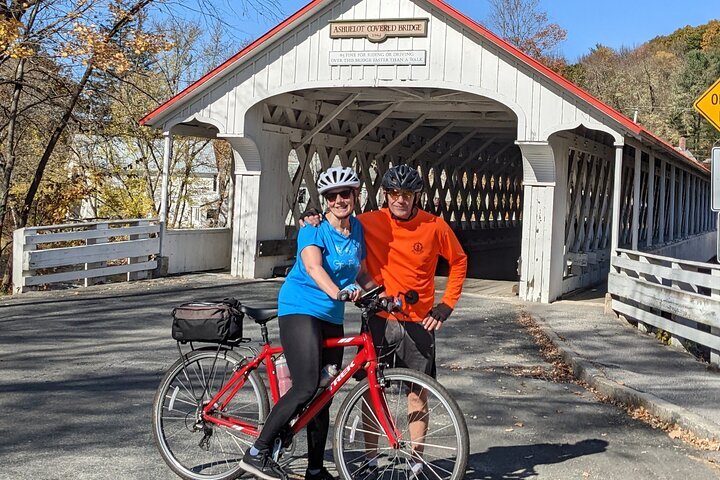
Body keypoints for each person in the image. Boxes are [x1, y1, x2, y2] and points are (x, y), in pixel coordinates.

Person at [302, 164, 467, 479]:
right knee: (369, 392)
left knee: (417, 393)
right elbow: (334, 221)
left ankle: (417, 461)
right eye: (394, 193)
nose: (400, 200)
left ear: (416, 195)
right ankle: (369, 459)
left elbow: (459, 260)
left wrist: (446, 305)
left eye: (406, 194)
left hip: (419, 322)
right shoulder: (369, 222)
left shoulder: (435, 226)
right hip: (379, 318)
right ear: (385, 195)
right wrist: (312, 216)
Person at [240, 166, 378, 480]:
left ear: (356, 195)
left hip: (332, 314)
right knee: (305, 386)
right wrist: (339, 291)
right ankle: (256, 452)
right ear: (326, 200)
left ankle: (315, 470)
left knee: (323, 394)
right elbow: (314, 267)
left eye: (346, 193)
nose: (340, 200)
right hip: (300, 307)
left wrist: (381, 295)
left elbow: (361, 273)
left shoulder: (356, 229)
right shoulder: (312, 229)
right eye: (333, 195)